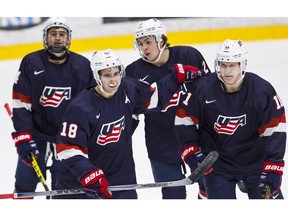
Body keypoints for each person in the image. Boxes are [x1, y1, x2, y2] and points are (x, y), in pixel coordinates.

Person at [54, 49, 203, 199]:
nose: (113, 80)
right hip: (81, 186)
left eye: (116, 73)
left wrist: (175, 77)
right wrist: (88, 174)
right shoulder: (80, 107)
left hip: (122, 181)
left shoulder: (128, 88)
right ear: (96, 76)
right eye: (107, 75)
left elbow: (154, 97)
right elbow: (67, 149)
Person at [175, 39, 286, 199]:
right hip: (217, 166)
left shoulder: (260, 90)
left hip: (255, 164)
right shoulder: (202, 88)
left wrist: (273, 165)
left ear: (242, 65)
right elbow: (184, 118)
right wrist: (190, 150)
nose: (227, 71)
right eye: (223, 65)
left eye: (232, 65)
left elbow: (276, 127)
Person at [125, 18, 211, 199]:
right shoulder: (133, 72)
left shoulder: (189, 56)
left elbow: (210, 95)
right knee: (173, 196)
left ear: (162, 41)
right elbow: (130, 113)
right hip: (161, 143)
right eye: (140, 43)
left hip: (196, 138)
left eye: (148, 42)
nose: (144, 48)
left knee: (209, 187)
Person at [10, 17, 96, 196]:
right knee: (24, 184)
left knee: (63, 188)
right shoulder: (31, 62)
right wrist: (23, 137)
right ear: (45, 38)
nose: (57, 38)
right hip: (36, 132)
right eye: (53, 34)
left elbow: (89, 107)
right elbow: (20, 102)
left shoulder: (82, 66)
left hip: (67, 137)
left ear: (69, 39)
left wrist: (84, 136)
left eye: (62, 34)